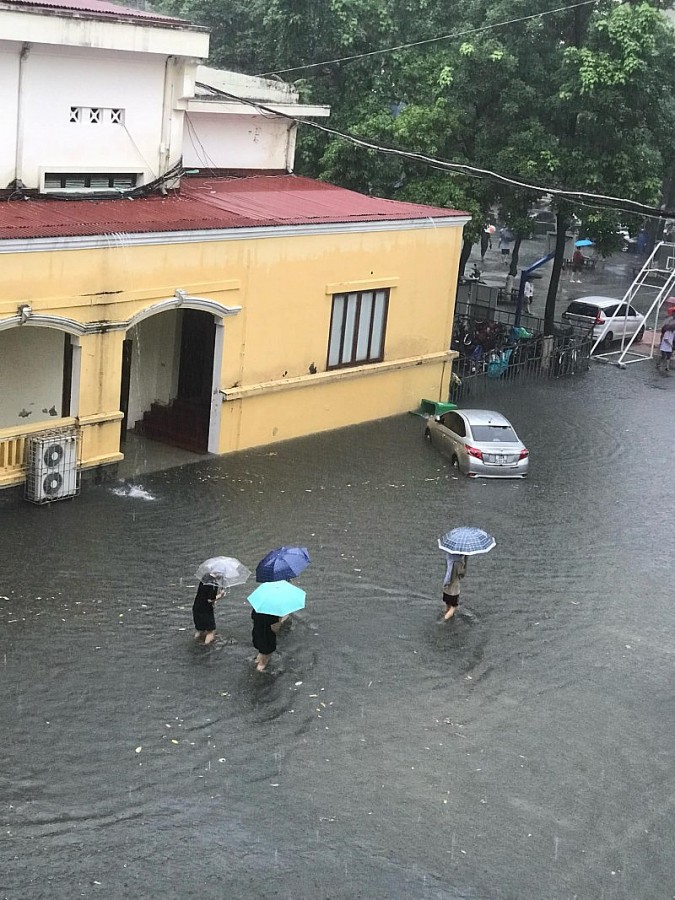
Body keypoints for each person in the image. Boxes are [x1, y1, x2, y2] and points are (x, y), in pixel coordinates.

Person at [193, 579, 224, 644]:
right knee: (211, 631)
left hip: (196, 607)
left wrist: (214, 601)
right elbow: (210, 599)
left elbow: (204, 595)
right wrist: (221, 595)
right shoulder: (214, 583)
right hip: (205, 610)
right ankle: (206, 647)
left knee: (200, 630)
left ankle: (195, 643)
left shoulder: (205, 577)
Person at [442, 553, 468, 620]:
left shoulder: (449, 559)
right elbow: (462, 574)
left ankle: (447, 619)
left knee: (448, 606)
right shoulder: (459, 563)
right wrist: (466, 562)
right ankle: (443, 620)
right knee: (453, 608)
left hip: (447, 588)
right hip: (454, 591)